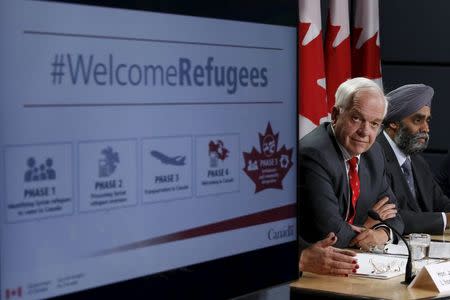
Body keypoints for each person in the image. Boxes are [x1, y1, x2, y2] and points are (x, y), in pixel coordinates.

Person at [298, 77, 404, 251]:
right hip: (316, 265)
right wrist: (368, 228)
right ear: (335, 115)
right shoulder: (313, 154)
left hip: (354, 260)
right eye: (356, 118)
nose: (365, 132)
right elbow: (330, 232)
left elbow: (395, 216)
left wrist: (381, 234)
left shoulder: (374, 152)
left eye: (374, 124)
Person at [377, 84, 450, 234]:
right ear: (393, 122)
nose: (426, 129)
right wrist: (445, 220)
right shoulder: (373, 157)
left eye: (427, 120)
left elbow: (441, 203)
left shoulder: (417, 161)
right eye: (418, 120)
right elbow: (392, 216)